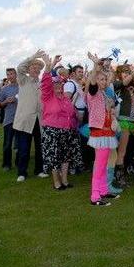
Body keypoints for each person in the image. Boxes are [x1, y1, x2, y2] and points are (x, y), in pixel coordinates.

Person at [40, 54, 83, 190]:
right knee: (54, 158)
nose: (58, 85)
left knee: (66, 157)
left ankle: (64, 180)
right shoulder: (47, 97)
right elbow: (45, 81)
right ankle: (56, 182)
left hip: (68, 131)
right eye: (55, 84)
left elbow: (71, 114)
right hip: (52, 131)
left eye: (60, 83)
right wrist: (49, 65)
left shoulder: (65, 98)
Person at [86, 53, 120, 206]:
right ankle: (95, 196)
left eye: (105, 79)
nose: (103, 81)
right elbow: (92, 82)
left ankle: (104, 190)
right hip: (99, 132)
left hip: (107, 131)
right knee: (99, 164)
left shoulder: (105, 94)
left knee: (104, 162)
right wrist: (95, 66)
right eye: (101, 79)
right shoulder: (93, 93)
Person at [13, 50, 47, 182]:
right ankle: (22, 172)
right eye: (34, 66)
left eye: (39, 67)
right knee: (24, 148)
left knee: (40, 147)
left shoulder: (41, 83)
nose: (36, 69)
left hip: (39, 120)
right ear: (29, 68)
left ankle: (39, 170)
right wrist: (33, 57)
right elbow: (19, 68)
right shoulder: (23, 79)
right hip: (25, 120)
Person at [0, 68, 19, 172]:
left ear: (16, 74)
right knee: (8, 143)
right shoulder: (4, 89)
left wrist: (16, 100)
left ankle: (19, 162)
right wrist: (5, 102)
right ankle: (6, 164)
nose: (10, 76)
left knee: (20, 143)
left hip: (21, 119)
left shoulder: (22, 87)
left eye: (12, 74)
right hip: (9, 119)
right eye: (8, 74)